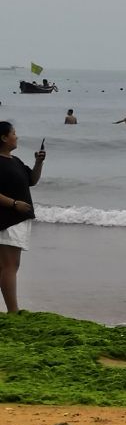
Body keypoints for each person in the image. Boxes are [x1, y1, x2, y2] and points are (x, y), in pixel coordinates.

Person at [0, 122, 45, 313]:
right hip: (8, 219)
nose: (16, 136)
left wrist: (38, 162)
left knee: (6, 265)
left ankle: (12, 310)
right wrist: (14, 204)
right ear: (3, 138)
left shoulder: (15, 160)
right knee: (10, 265)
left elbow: (32, 180)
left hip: (18, 219)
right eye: (14, 133)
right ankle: (13, 311)